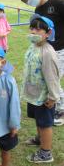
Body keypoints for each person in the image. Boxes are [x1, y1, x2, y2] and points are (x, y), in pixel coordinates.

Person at [21, 0, 64, 126]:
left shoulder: (57, 2)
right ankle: (57, 106)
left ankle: (60, 110)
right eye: (26, 1)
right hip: (46, 49)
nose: (29, 1)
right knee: (47, 79)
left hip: (61, 49)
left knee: (54, 79)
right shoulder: (38, 10)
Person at [22, 15, 60, 163]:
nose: (34, 31)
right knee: (38, 121)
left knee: (45, 124)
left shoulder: (47, 52)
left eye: (39, 29)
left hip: (44, 97)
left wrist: (52, 97)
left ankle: (46, 153)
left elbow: (52, 77)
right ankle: (39, 140)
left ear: (48, 33)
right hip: (33, 93)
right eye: (32, 28)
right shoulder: (33, 46)